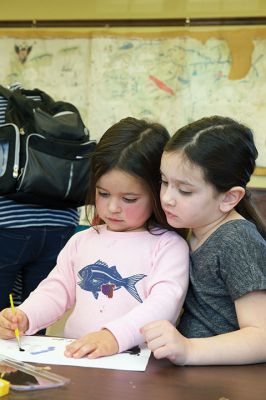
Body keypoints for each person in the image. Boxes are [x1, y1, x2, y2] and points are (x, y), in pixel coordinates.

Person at [0, 117, 189, 359]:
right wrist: (25, 315)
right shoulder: (83, 241)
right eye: (103, 193)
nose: (112, 208)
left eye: (129, 199)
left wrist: (113, 336)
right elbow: (56, 290)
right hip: (78, 357)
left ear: (157, 193)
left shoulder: (169, 246)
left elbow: (164, 305)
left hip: (137, 364)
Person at [141, 115, 266, 365]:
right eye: (164, 182)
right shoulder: (189, 226)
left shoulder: (236, 239)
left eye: (185, 190)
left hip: (226, 378)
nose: (167, 198)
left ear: (229, 198)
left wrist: (188, 349)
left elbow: (262, 337)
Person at [0, 83, 79, 311]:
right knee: (36, 311)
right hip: (62, 226)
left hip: (9, 225)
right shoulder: (48, 106)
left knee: (7, 316)